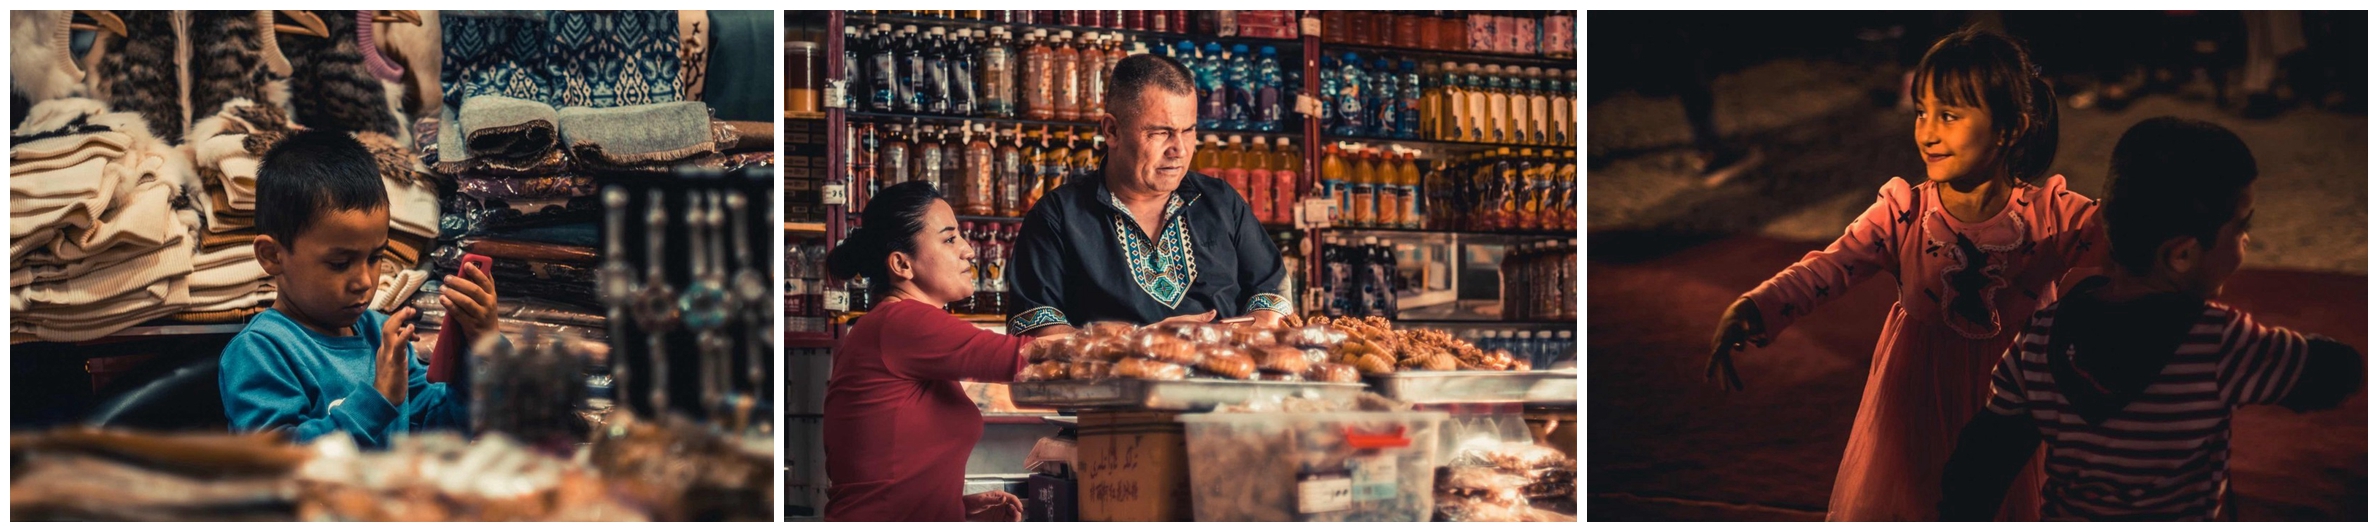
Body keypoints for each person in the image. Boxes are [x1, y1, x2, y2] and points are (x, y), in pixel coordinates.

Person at [1706, 28, 2098, 521]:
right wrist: (1758, 305)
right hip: (1916, 390)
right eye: (1921, 112)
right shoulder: (1904, 211)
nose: (1927, 132)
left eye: (1949, 116)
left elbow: (2140, 247)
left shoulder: (2052, 217)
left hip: (2016, 401)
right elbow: (1832, 265)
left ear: (2010, 128)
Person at [1938, 117, 2362, 521]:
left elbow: (1983, 460)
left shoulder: (2039, 337)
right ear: (2181, 254)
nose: (2246, 240)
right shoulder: (2218, 342)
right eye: (2239, 228)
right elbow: (2328, 377)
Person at [218, 130, 501, 448]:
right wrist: (377, 400)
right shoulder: (262, 351)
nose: (365, 281)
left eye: (375, 257)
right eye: (340, 263)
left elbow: (445, 426)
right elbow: (275, 463)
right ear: (272, 256)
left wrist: (481, 344)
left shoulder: (381, 335)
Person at [1005, 53, 1292, 337]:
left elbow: (1271, 291)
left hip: (1220, 376)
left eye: (1189, 130)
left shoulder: (1221, 201)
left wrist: (1250, 328)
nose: (1179, 149)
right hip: (1112, 382)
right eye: (1161, 132)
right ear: (1112, 130)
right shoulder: (1056, 217)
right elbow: (1037, 335)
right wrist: (1141, 342)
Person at [821, 181, 1033, 522]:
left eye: (961, 236)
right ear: (902, 265)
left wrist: (955, 507)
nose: (968, 251)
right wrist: (1127, 343)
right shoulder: (901, 321)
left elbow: (880, 476)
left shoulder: (890, 326)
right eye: (950, 239)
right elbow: (1022, 357)